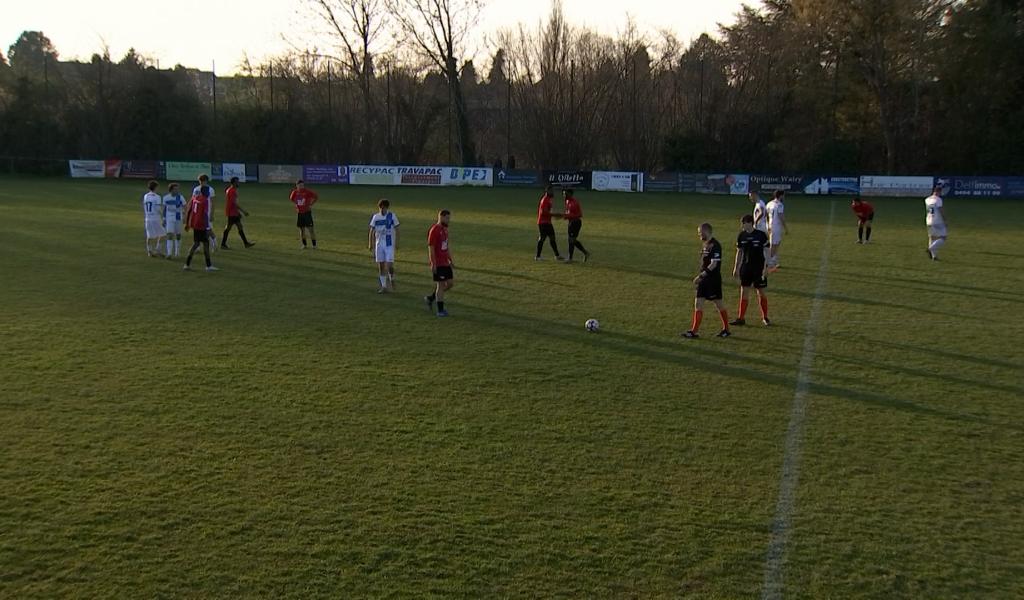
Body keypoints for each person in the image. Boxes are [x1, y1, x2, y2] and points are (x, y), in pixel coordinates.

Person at [682, 223, 731, 339]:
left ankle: (726, 329)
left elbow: (714, 264)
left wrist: (701, 275)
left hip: (712, 280)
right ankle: (694, 331)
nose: (699, 234)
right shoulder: (705, 245)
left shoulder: (715, 245)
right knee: (698, 304)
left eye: (700, 232)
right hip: (704, 280)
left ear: (707, 231)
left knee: (719, 304)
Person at [730, 214, 771, 327]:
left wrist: (766, 267)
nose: (742, 226)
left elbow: (767, 251)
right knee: (744, 292)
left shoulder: (761, 235)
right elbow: (739, 252)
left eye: (743, 223)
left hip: (758, 268)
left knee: (761, 292)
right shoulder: (741, 236)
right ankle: (741, 318)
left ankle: (765, 317)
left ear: (749, 223)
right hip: (746, 268)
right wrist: (736, 267)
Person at [424, 210, 454, 317]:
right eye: (447, 218)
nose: (448, 220)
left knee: (450, 284)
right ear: (441, 217)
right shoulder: (434, 230)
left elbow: (446, 246)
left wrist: (450, 259)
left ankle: (431, 298)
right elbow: (431, 248)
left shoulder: (445, 230)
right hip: (439, 263)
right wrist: (433, 263)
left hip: (445, 263)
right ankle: (440, 311)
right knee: (440, 286)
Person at [182, 186, 218, 272]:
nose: (209, 193)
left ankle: (187, 264)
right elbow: (204, 214)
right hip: (202, 225)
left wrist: (188, 223)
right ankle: (208, 266)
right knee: (205, 244)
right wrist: (207, 226)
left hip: (195, 224)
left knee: (196, 244)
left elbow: (190, 210)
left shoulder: (196, 198)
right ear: (205, 192)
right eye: (208, 192)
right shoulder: (205, 201)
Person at [368, 198, 400, 293]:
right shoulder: (376, 217)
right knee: (381, 266)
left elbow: (397, 229)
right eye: (381, 208)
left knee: (389, 265)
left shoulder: (392, 216)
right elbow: (371, 231)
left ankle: (392, 278)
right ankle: (384, 286)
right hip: (379, 244)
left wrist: (397, 242)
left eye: (384, 208)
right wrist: (370, 243)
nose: (382, 210)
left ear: (387, 208)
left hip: (389, 244)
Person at [221, 177, 255, 249]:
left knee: (239, 227)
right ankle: (223, 244)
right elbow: (234, 203)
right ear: (233, 183)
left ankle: (246, 243)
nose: (238, 183)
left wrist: (238, 212)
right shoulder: (232, 191)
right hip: (232, 212)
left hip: (233, 212)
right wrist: (243, 211)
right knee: (228, 228)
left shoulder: (230, 190)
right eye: (237, 182)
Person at [535, 185, 564, 261]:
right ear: (547, 191)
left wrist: (554, 215)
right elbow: (543, 212)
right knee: (542, 238)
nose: (553, 192)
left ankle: (557, 255)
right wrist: (555, 214)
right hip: (543, 223)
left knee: (552, 238)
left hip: (547, 222)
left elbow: (547, 211)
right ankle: (537, 256)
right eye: (551, 191)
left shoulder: (548, 199)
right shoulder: (545, 200)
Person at [562, 188, 591, 262]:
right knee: (572, 240)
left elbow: (579, 214)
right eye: (563, 194)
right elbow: (568, 212)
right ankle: (585, 253)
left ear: (570, 194)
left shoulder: (574, 202)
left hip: (575, 223)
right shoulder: (567, 201)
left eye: (566, 194)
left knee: (571, 240)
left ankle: (570, 258)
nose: (564, 195)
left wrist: (568, 216)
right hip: (571, 222)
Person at [289, 179, 319, 249]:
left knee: (311, 229)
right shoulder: (295, 192)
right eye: (300, 185)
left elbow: (316, 197)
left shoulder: (307, 192)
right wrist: (297, 204)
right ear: (297, 186)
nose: (301, 187)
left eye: (302, 185)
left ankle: (314, 245)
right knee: (302, 230)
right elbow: (291, 198)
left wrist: (311, 204)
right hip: (300, 213)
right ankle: (304, 245)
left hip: (307, 213)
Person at [193, 174, 217, 252]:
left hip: (206, 213)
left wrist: (211, 214)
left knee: (208, 230)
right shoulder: (196, 189)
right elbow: (194, 201)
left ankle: (214, 244)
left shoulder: (210, 190)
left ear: (206, 181)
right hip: (197, 213)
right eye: (200, 181)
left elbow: (213, 203)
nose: (201, 182)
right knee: (197, 230)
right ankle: (198, 246)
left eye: (202, 181)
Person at [766, 190, 789, 271]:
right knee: (774, 245)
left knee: (776, 243)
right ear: (780, 196)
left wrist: (767, 225)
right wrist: (786, 228)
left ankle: (774, 261)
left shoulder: (769, 203)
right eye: (783, 195)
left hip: (770, 226)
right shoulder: (779, 205)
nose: (784, 197)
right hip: (776, 227)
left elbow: (766, 216)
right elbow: (781, 216)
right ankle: (769, 262)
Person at [142, 179, 166, 257]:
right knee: (163, 234)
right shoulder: (157, 197)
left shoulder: (145, 196)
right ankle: (158, 250)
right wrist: (163, 216)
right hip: (155, 218)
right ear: (155, 187)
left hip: (147, 218)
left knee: (150, 236)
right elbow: (158, 209)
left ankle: (149, 251)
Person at [162, 183, 186, 258]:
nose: (177, 190)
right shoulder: (166, 198)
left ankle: (177, 252)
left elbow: (185, 207)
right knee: (169, 234)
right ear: (171, 190)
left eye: (178, 189)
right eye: (175, 189)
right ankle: (169, 253)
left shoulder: (180, 197)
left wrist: (185, 216)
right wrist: (164, 219)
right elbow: (164, 209)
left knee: (178, 235)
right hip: (169, 218)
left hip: (178, 217)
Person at [925, 185, 947, 260]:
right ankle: (930, 249)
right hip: (937, 221)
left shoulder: (927, 199)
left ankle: (934, 256)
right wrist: (945, 219)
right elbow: (941, 210)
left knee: (932, 238)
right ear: (938, 192)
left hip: (928, 220)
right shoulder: (938, 199)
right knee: (943, 238)